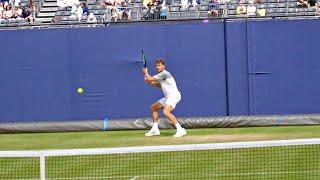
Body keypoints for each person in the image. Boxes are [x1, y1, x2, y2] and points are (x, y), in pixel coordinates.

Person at [143, 59, 187, 138]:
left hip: (174, 95)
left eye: (159, 65)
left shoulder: (164, 73)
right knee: (153, 108)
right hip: (168, 96)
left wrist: (145, 72)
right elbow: (158, 85)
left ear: (163, 66)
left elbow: (150, 79)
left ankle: (180, 130)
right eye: (156, 66)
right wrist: (149, 81)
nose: (157, 67)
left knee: (166, 112)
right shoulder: (161, 76)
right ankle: (155, 129)